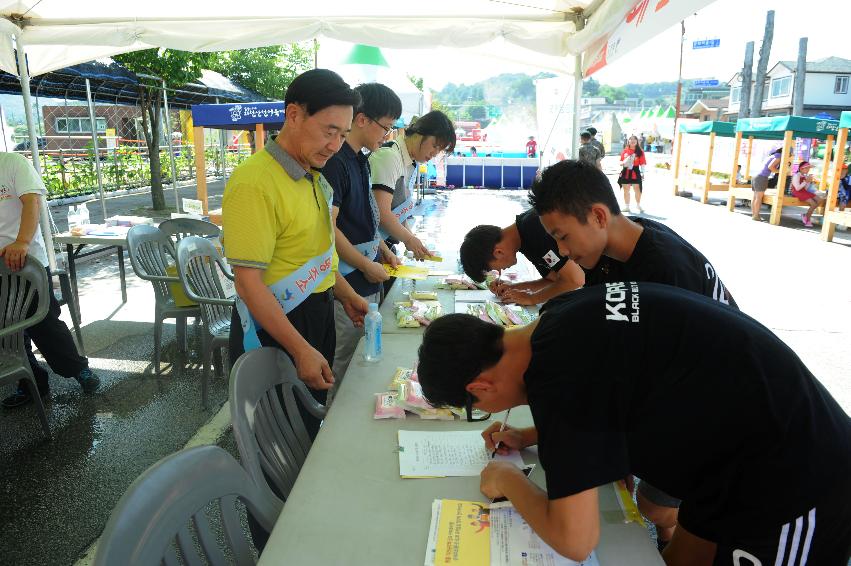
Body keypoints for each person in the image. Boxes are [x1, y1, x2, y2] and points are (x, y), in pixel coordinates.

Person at [416, 284, 851, 566]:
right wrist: (532, 435)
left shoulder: (558, 378)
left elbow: (575, 539)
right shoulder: (557, 320)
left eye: (478, 408)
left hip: (792, 476)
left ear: (480, 386)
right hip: (724, 455)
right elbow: (610, 395)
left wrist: (508, 480)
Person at [529, 159, 738, 549]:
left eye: (563, 237)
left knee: (655, 506)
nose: (562, 252)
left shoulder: (666, 271)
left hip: (716, 393)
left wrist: (618, 445)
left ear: (597, 216)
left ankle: (675, 532)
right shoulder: (606, 253)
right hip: (672, 379)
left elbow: (669, 382)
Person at [223, 69, 368, 439]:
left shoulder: (313, 175)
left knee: (309, 424)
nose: (335, 145)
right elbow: (248, 283)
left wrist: (346, 294)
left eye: (343, 134)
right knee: (279, 439)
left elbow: (315, 254)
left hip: (316, 315)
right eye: (328, 130)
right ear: (293, 115)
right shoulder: (254, 182)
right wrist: (300, 349)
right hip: (276, 329)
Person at [0, 152, 100, 409]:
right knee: (8, 333)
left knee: (44, 323)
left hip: (26, 263)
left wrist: (21, 242)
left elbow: (33, 201)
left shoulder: (12, 163)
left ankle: (79, 370)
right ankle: (32, 383)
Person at [321, 82, 402, 390]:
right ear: (362, 119)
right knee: (347, 363)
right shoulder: (336, 162)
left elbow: (366, 218)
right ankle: (335, 428)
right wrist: (366, 265)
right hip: (347, 280)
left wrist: (382, 249)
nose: (387, 135)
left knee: (366, 355)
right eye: (386, 127)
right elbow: (330, 231)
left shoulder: (361, 159)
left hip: (367, 273)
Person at [369, 110, 455, 270]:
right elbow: (381, 212)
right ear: (419, 132)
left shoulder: (410, 163)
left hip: (384, 248)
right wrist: (408, 239)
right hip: (369, 250)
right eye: (435, 145)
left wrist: (414, 242)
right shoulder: (389, 157)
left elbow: (398, 213)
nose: (434, 153)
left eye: (440, 149)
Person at [459, 210, 585, 306]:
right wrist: (513, 288)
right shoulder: (523, 239)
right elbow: (553, 279)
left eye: (498, 269)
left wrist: (532, 298)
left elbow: (575, 280)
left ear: (498, 252)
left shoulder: (534, 228)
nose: (502, 271)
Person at [789, 161, 826, 228]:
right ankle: (807, 219)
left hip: (803, 191)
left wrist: (809, 181)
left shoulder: (805, 176)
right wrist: (806, 181)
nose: (808, 169)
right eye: (806, 168)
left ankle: (805, 215)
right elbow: (797, 188)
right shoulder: (796, 175)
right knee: (814, 204)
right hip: (797, 192)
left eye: (808, 168)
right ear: (801, 169)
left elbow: (805, 188)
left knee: (820, 200)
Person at [750, 147, 782, 222]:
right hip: (762, 177)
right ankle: (755, 216)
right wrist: (780, 171)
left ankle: (755, 215)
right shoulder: (779, 157)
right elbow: (770, 167)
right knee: (758, 198)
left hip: (755, 176)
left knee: (755, 197)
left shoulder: (772, 155)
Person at [617, 135, 646, 213]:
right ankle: (627, 206)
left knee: (637, 189)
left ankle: (638, 204)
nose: (632, 141)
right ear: (628, 141)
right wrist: (622, 162)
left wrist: (643, 172)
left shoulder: (640, 152)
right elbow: (620, 161)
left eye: (634, 139)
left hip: (635, 171)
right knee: (626, 190)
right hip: (625, 171)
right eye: (631, 139)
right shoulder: (625, 151)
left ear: (637, 141)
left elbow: (642, 163)